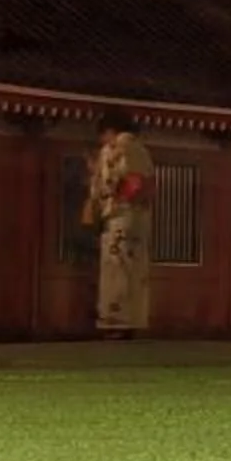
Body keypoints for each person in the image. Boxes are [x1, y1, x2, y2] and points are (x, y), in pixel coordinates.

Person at [83, 109, 154, 338]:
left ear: (110, 131)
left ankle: (116, 321)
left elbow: (131, 183)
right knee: (135, 269)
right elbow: (143, 183)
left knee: (116, 267)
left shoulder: (115, 150)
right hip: (139, 217)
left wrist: (111, 199)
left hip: (120, 215)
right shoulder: (141, 150)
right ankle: (133, 320)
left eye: (103, 135)